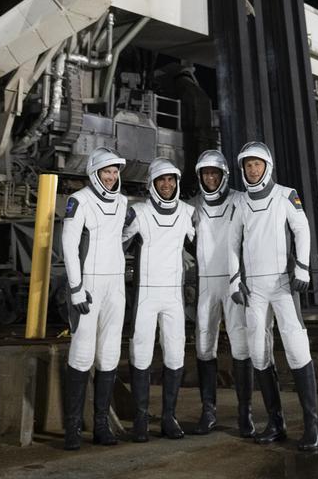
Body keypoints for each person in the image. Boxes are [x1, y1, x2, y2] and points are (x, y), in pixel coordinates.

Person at [228, 140, 318, 452]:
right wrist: (234, 280)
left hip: (283, 285)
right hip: (253, 289)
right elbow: (232, 243)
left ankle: (312, 424)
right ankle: (276, 421)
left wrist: (303, 268)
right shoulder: (240, 203)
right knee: (258, 352)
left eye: (257, 164)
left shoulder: (286, 194)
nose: (252, 170)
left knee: (296, 349)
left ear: (267, 166)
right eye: (247, 165)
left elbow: (302, 229)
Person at [122, 156, 196, 442]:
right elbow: (116, 244)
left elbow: (205, 246)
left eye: (171, 180)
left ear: (177, 182)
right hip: (146, 295)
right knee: (140, 354)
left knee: (175, 354)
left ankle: (169, 417)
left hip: (173, 297)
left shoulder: (188, 213)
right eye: (161, 180)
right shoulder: (138, 213)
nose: (166, 185)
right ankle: (141, 420)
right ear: (152, 184)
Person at [60, 147, 128, 450]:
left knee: (109, 355)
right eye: (107, 172)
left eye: (115, 172)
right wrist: (75, 288)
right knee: (82, 354)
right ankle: (72, 428)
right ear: (95, 173)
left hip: (116, 288)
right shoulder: (80, 201)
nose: (112, 177)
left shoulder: (124, 202)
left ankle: (101, 425)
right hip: (87, 288)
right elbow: (69, 245)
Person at [191, 148, 255, 437]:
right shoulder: (192, 207)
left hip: (233, 284)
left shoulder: (239, 200)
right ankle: (208, 412)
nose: (210, 177)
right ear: (200, 176)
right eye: (206, 173)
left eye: (215, 173)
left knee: (241, 347)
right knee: (204, 348)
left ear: (224, 175)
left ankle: (245, 414)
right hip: (206, 285)